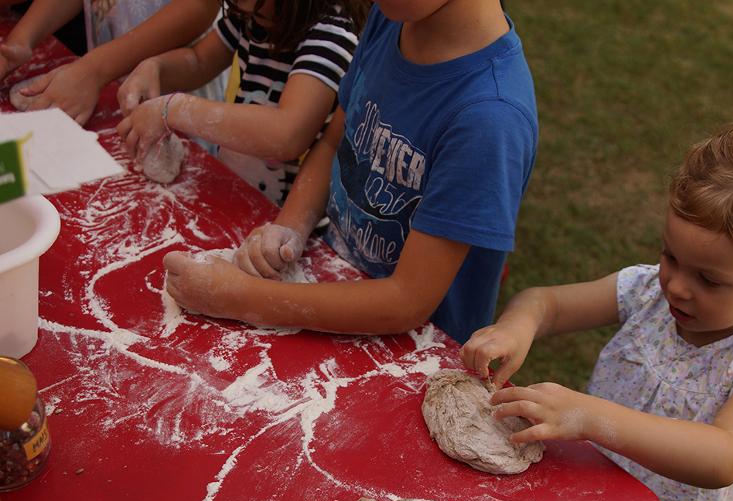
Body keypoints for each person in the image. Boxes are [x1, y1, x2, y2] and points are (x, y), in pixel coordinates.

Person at [460, 121, 733, 501]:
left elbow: (725, 455)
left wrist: (591, 418)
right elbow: (546, 303)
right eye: (670, 256)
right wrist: (516, 326)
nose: (677, 285)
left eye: (709, 279)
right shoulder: (647, 293)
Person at [161, 0, 538, 344]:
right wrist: (290, 226)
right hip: (330, 285)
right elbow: (334, 143)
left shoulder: (489, 118)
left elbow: (405, 303)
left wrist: (238, 297)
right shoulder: (391, 20)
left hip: (413, 354)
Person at [116, 0, 368, 204]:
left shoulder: (330, 34)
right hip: (240, 195)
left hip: (285, 223)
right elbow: (199, 61)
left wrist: (173, 109)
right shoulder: (251, 15)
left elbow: (287, 134)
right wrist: (155, 67)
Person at [0, 0, 225, 126]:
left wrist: (95, 70)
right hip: (98, 82)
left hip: (174, 89)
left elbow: (199, 7)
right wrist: (22, 39)